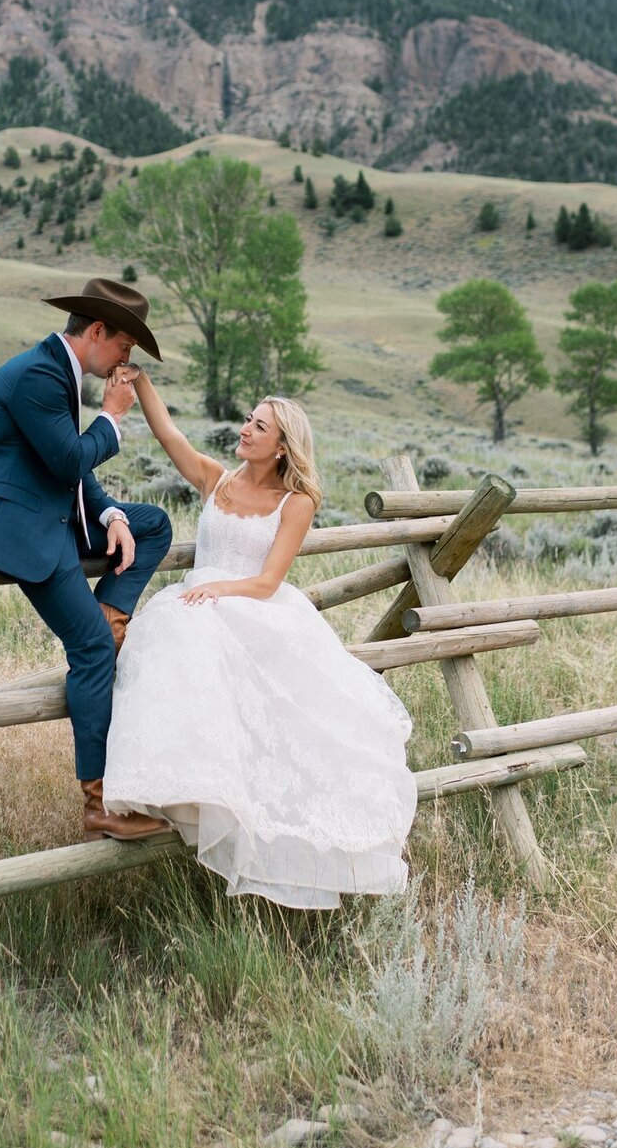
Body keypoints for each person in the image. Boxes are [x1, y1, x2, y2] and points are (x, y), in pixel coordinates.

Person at [103, 373, 417, 909]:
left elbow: (270, 580)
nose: (246, 429)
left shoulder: (296, 502)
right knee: (176, 649)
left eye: (259, 425)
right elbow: (168, 435)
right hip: (198, 604)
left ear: (281, 446)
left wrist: (219, 589)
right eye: (249, 419)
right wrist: (145, 382)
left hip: (251, 604)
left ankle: (258, 822)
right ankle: (171, 796)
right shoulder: (217, 480)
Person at [0, 277, 173, 844]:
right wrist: (114, 416)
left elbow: (67, 468)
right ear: (97, 332)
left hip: (45, 512)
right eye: (125, 347)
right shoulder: (38, 375)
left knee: (151, 524)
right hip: (18, 529)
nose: (126, 361)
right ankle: (98, 803)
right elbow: (69, 457)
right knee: (93, 651)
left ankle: (109, 617)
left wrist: (110, 516)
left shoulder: (57, 371)